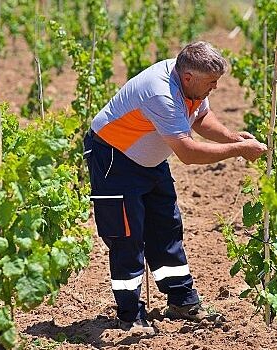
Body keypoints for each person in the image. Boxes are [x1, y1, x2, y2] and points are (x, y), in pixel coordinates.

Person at [83, 41, 267, 334]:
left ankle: (182, 301)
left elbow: (201, 118)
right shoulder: (161, 93)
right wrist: (240, 151)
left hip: (150, 159)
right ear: (188, 77)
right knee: (127, 237)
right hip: (114, 157)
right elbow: (189, 154)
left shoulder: (191, 83)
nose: (215, 88)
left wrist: (234, 138)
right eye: (211, 83)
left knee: (167, 226)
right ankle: (131, 316)